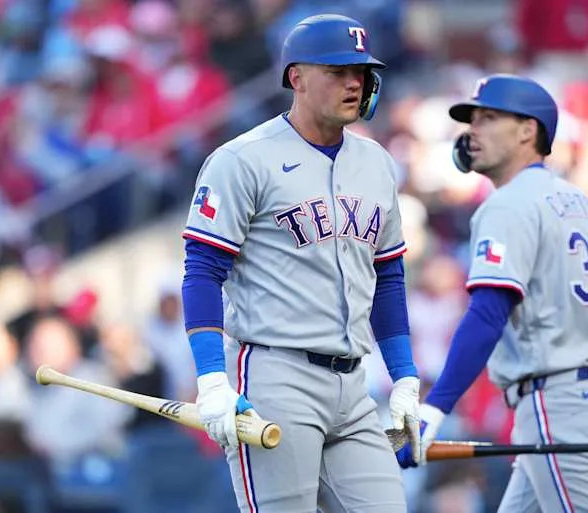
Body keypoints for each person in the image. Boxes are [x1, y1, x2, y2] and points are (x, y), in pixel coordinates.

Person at [180, 13, 421, 512]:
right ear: (297, 77)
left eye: (360, 71)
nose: (354, 82)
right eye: (337, 71)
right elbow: (202, 269)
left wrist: (404, 377)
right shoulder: (242, 158)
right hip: (274, 375)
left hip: (354, 386)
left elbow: (388, 275)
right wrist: (211, 380)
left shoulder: (375, 162)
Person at [397, 74, 588, 512]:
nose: (472, 130)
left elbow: (488, 314)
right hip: (586, 405)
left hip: (557, 409)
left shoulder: (508, 204)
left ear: (528, 131)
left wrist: (434, 409)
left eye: (489, 118)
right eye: (471, 119)